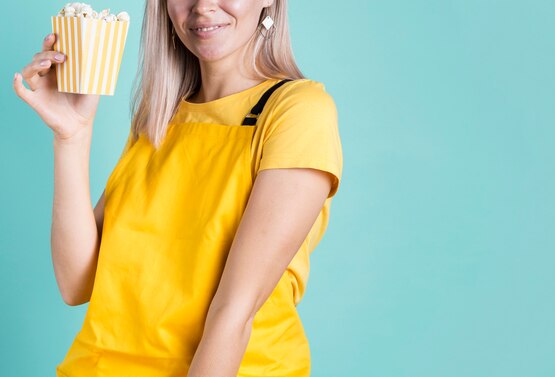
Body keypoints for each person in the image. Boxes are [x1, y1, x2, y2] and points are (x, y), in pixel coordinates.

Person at [12, 0, 343, 376]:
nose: (203, 7)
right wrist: (72, 135)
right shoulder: (160, 117)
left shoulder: (296, 111)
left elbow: (234, 311)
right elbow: (76, 284)